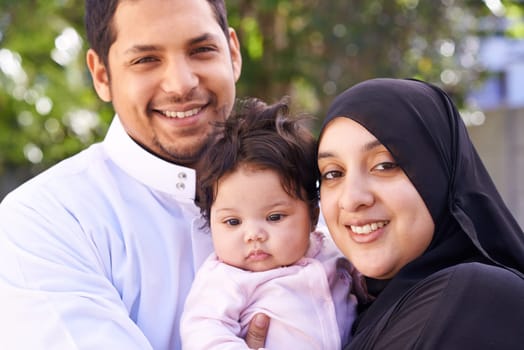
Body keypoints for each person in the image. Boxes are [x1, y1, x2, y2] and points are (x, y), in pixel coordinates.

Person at [0, 1, 269, 348]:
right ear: (101, 75)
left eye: (201, 50)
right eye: (146, 60)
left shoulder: (311, 194)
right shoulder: (44, 222)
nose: (181, 84)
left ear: (232, 53)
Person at [316, 78, 524, 349]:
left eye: (385, 165)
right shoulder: (346, 311)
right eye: (333, 173)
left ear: (439, 174)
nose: (352, 199)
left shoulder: (474, 296)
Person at [180, 98, 357, 349]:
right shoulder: (227, 279)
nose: (253, 235)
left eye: (274, 217)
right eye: (233, 221)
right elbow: (204, 333)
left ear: (313, 215)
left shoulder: (332, 251)